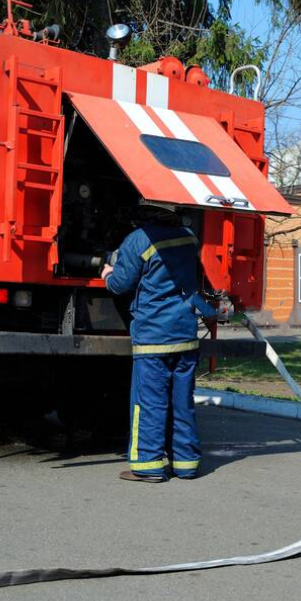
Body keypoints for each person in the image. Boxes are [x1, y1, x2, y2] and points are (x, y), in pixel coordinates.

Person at [102, 205, 218, 482]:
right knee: (182, 402)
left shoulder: (139, 240)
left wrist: (107, 271)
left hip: (154, 336)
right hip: (185, 335)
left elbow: (120, 285)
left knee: (149, 402)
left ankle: (148, 465)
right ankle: (186, 463)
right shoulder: (189, 236)